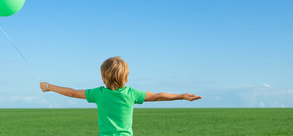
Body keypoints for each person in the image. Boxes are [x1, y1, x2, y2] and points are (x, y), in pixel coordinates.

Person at [40, 56, 202, 135]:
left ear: (103, 77)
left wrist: (49, 87)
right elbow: (158, 96)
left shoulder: (99, 94)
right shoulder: (131, 94)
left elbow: (73, 93)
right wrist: (181, 96)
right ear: (127, 77)